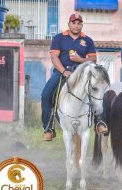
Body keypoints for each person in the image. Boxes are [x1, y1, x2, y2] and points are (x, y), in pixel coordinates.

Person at [41, 13, 108, 141]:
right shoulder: (59, 38)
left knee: (97, 91)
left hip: (82, 73)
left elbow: (93, 60)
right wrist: (63, 71)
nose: (76, 26)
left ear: (82, 25)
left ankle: (100, 121)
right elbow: (54, 57)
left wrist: (80, 59)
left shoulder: (87, 40)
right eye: (74, 23)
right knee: (46, 95)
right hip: (62, 72)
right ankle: (48, 127)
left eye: (79, 23)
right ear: (69, 24)